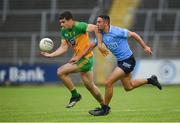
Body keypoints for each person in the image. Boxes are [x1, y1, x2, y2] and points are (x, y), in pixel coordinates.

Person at [88, 15, 162, 116]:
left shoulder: (117, 31)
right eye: (97, 22)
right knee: (128, 87)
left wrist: (145, 47)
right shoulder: (102, 35)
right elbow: (93, 45)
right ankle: (151, 80)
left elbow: (134, 34)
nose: (97, 24)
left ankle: (105, 108)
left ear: (106, 23)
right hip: (121, 61)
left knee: (108, 82)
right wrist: (79, 56)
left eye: (99, 22)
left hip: (128, 60)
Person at [41, 11, 105, 109]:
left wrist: (99, 43)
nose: (61, 24)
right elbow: (63, 48)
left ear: (70, 20)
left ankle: (75, 95)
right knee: (91, 87)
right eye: (60, 22)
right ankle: (104, 106)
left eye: (63, 22)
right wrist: (51, 55)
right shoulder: (64, 31)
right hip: (80, 58)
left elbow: (97, 28)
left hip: (86, 58)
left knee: (60, 72)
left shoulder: (80, 26)